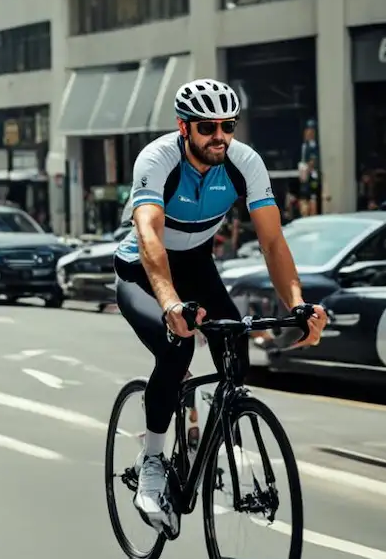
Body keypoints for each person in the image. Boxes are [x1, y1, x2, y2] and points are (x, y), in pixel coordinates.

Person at [115, 79, 329, 535]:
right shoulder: (157, 160)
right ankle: (153, 458)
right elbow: (150, 235)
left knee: (234, 349)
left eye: (227, 125)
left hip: (196, 266)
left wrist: (298, 304)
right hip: (142, 270)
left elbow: (272, 241)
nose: (219, 135)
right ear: (184, 127)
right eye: (207, 126)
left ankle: (209, 433)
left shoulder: (243, 163)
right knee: (177, 349)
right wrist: (170, 302)